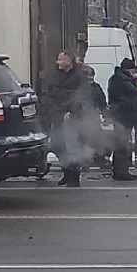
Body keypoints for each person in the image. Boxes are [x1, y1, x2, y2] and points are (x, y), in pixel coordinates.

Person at [41, 51, 88, 187]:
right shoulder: (54, 76)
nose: (58, 62)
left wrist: (71, 111)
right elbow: (47, 94)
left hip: (70, 117)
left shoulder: (79, 78)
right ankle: (67, 171)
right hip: (56, 115)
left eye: (61, 59)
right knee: (57, 145)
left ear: (69, 61)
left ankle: (74, 177)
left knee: (72, 146)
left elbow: (81, 97)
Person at [107, 58, 137, 181]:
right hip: (123, 114)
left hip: (118, 113)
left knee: (120, 143)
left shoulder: (115, 78)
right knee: (122, 143)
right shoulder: (123, 79)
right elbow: (134, 91)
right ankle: (121, 171)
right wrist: (136, 80)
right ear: (129, 69)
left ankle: (119, 170)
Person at [80, 64, 112, 171]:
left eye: (92, 75)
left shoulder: (96, 87)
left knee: (97, 140)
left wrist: (106, 115)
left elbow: (102, 102)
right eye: (88, 76)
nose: (90, 78)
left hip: (93, 117)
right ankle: (84, 161)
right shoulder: (79, 87)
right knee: (84, 141)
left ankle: (100, 159)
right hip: (82, 118)